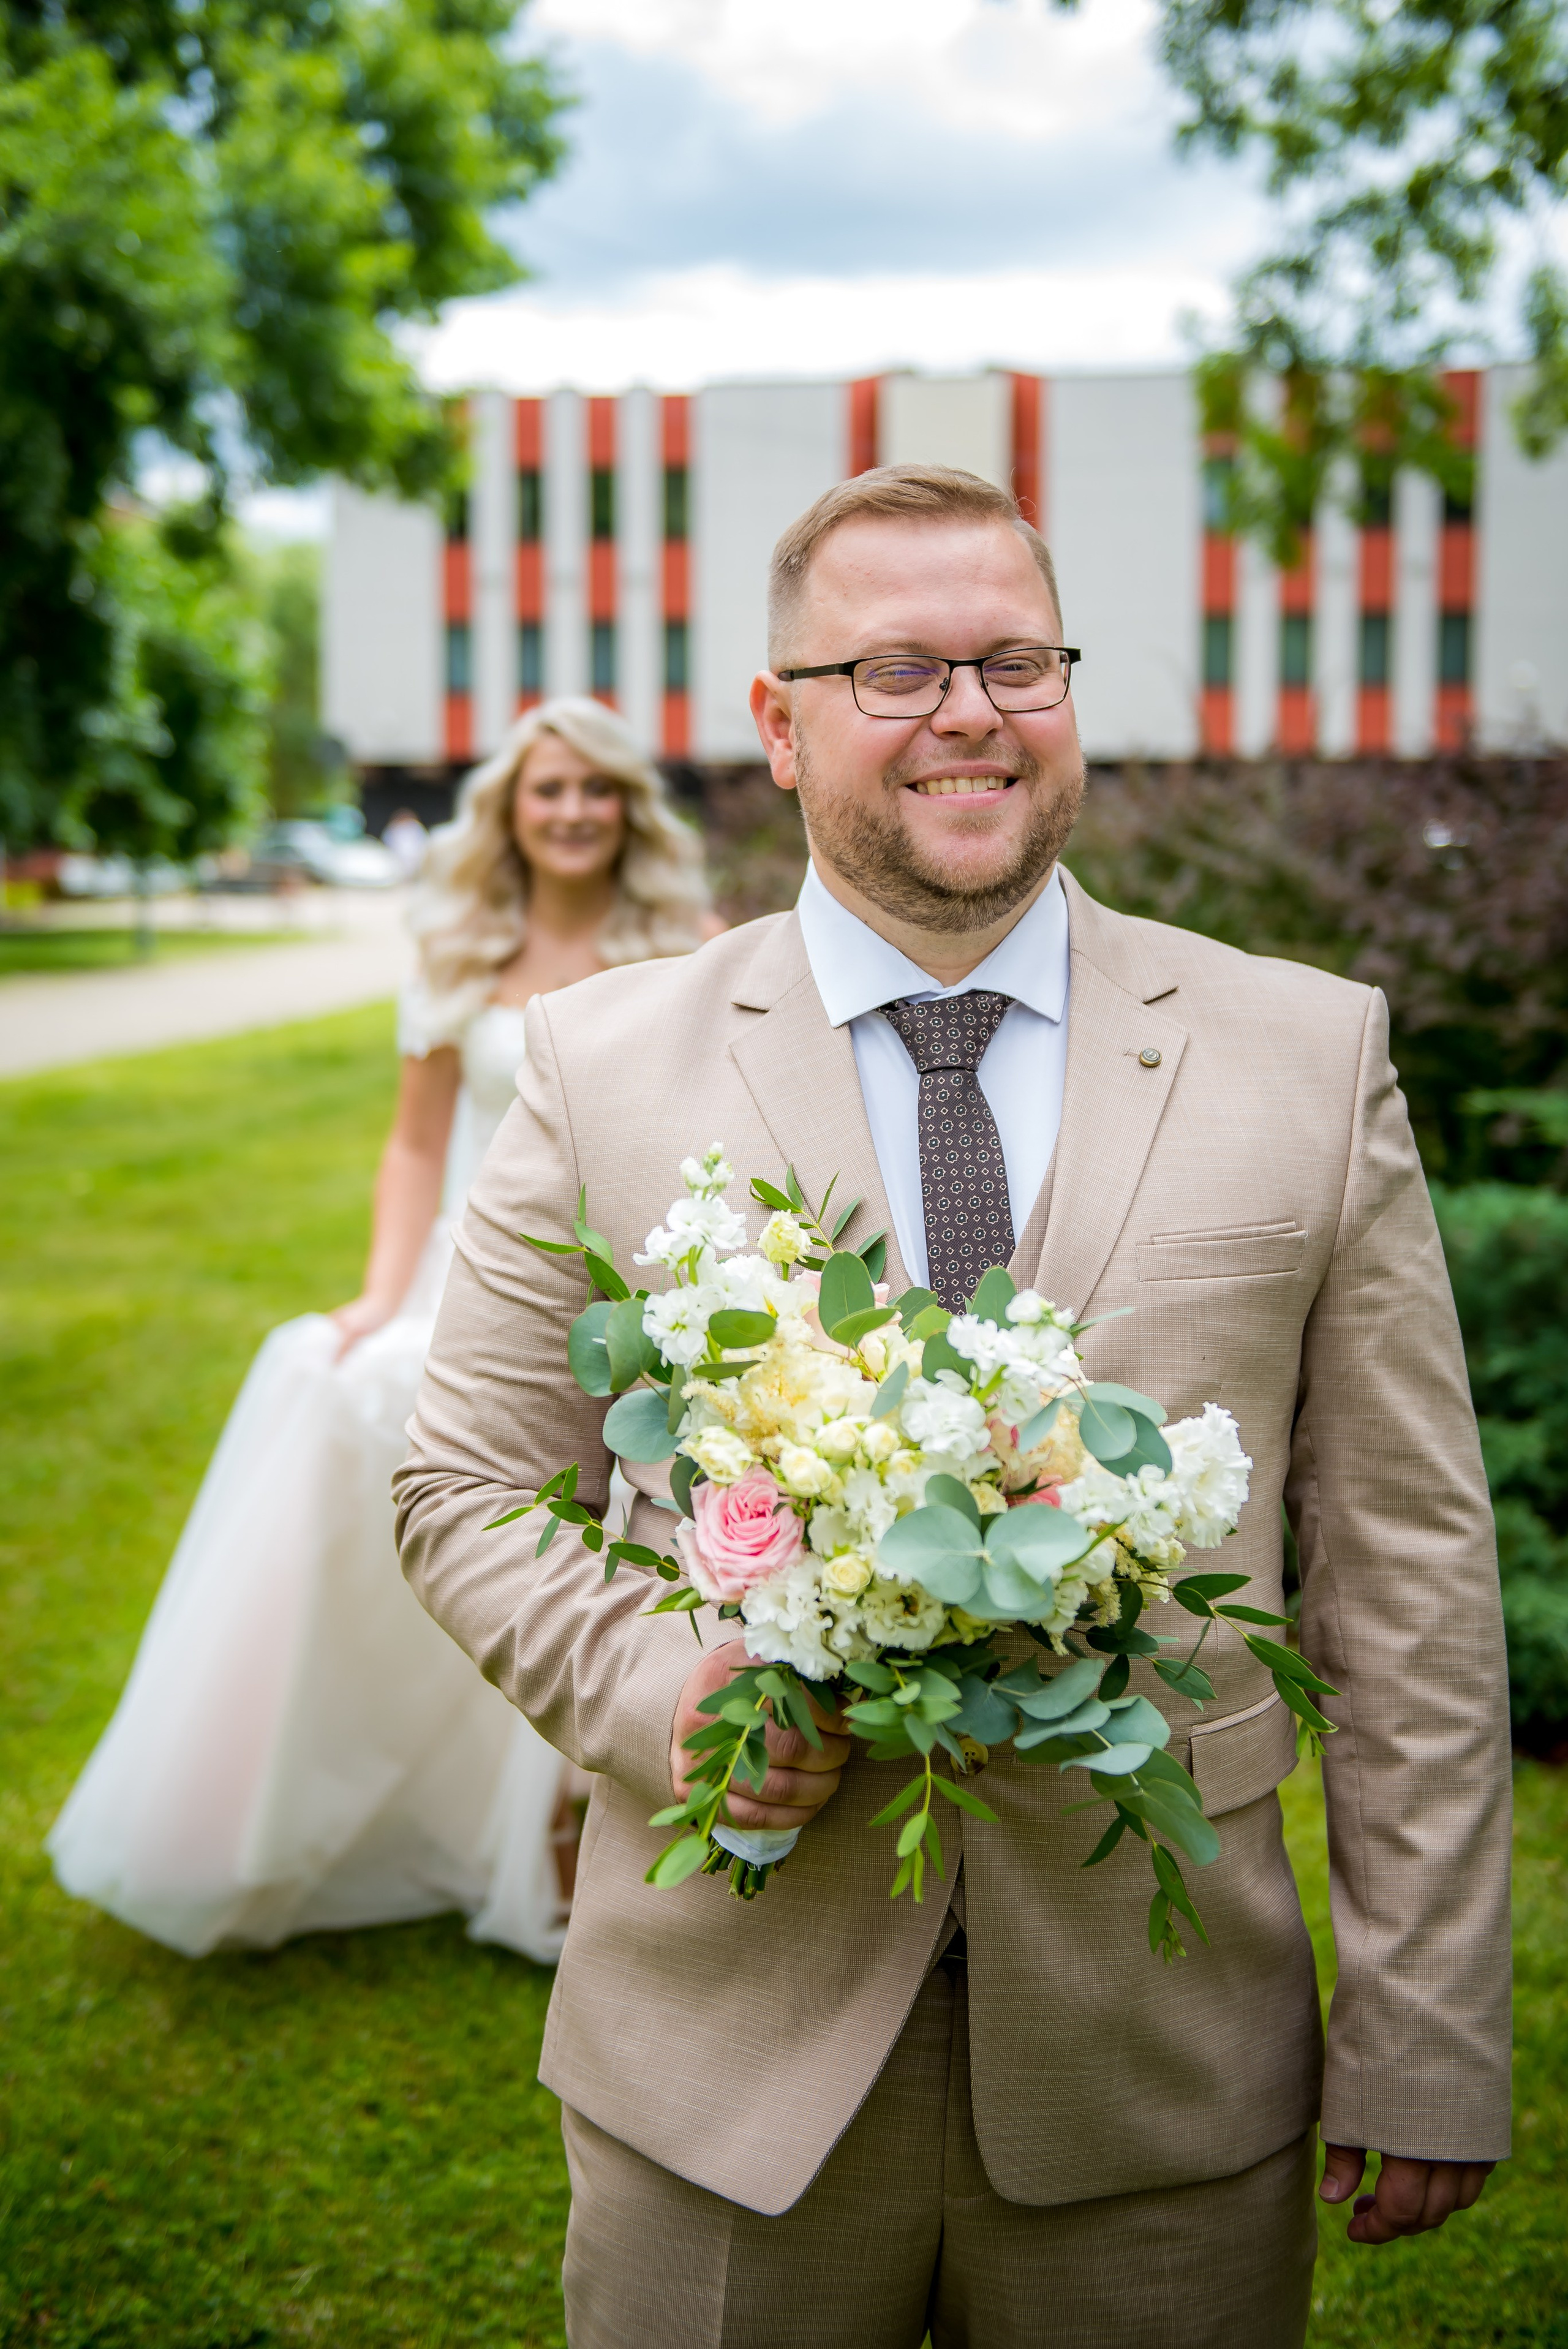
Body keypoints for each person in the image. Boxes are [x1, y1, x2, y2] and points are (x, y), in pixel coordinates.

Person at [393, 469, 1511, 2348]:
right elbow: (466, 1487)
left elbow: (1407, 1569)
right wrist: (664, 1692)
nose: (971, 712)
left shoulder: (1309, 1056)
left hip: (1160, 2074)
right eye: (896, 670)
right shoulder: (604, 1066)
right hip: (723, 2068)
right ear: (778, 722)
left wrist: (1426, 2030)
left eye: (1015, 660)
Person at [50, 697, 719, 1964]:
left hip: (634, 1291)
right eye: (546, 789)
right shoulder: (458, 949)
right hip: (467, 1290)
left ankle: (571, 1814)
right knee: (337, 1381)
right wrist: (376, 1294)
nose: (571, 811)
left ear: (628, 808)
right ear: (509, 811)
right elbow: (416, 1143)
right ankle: (354, 1798)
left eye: (595, 789)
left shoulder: (689, 949)